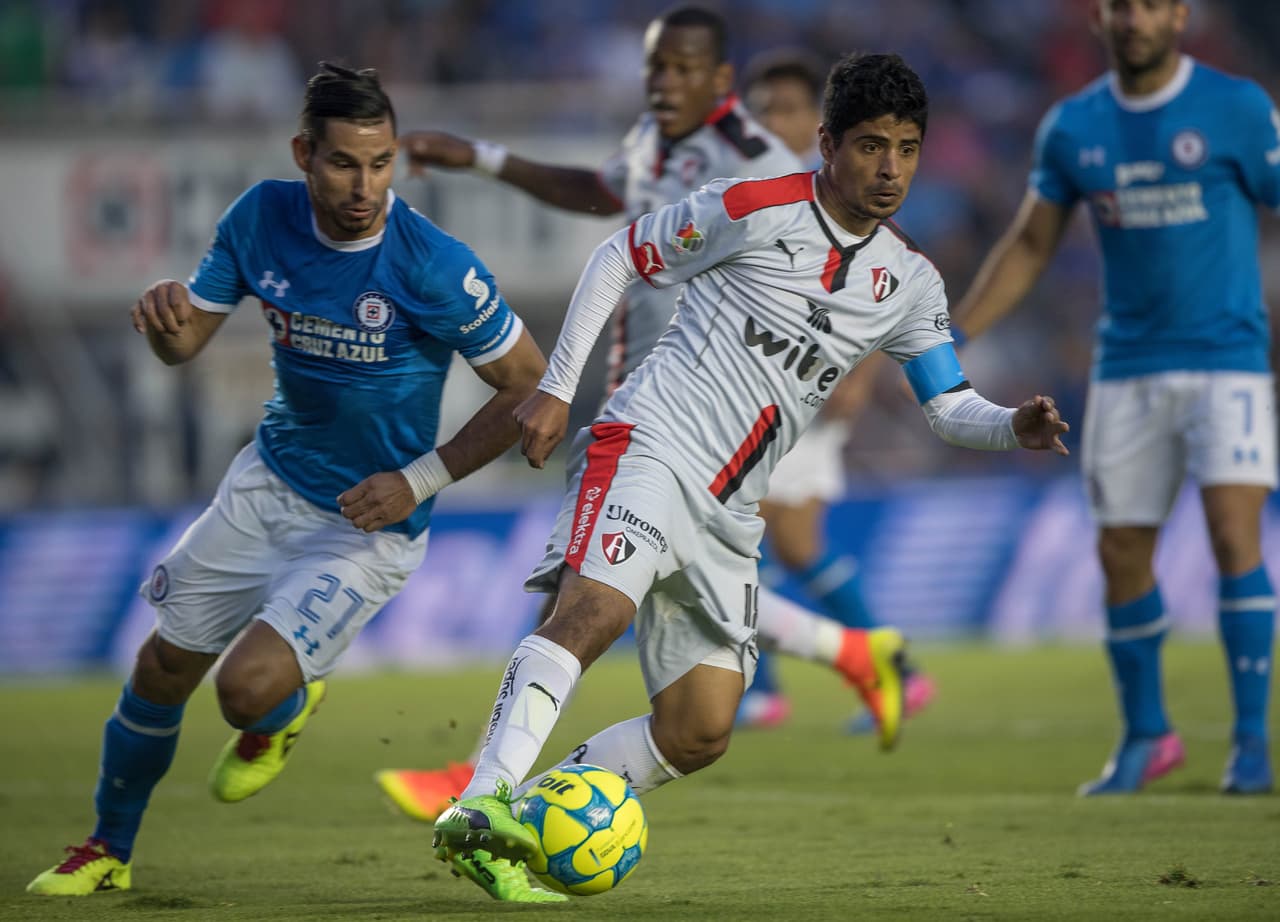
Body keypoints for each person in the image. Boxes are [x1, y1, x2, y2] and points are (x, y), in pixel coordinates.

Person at [430, 51, 1069, 898]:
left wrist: (1011, 427)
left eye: (908, 149)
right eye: (872, 146)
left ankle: (532, 819)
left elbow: (949, 406)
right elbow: (620, 253)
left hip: (732, 513)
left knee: (699, 731)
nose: (890, 169)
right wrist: (556, 389)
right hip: (652, 443)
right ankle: (478, 804)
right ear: (828, 144)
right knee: (594, 612)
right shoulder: (757, 208)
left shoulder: (909, 281)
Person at [26, 63, 559, 902]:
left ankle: (280, 714)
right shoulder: (259, 218)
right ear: (304, 153)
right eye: (345, 163)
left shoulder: (429, 264)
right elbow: (187, 344)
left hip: (370, 521)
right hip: (266, 484)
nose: (365, 186)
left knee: (245, 693)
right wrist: (165, 325)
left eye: (381, 164)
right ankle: (106, 847)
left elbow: (529, 380)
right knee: (161, 669)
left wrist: (417, 481)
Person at [376, 6, 912, 824]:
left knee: (595, 597)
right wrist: (482, 159)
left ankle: (483, 783)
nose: (659, 84)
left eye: (677, 69)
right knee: (603, 592)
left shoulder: (761, 164)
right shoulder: (654, 146)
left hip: (718, 412)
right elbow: (601, 194)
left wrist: (859, 374)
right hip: (649, 400)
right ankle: (846, 650)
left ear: (718, 79)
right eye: (652, 68)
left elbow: (854, 272)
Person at [951, 0, 1278, 795]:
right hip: (1126, 365)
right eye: (1122, 5)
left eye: (1151, 5)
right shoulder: (1073, 127)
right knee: (1119, 553)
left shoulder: (1236, 108)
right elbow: (1032, 243)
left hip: (1227, 359)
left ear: (1181, 16)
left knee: (1236, 538)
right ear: (1100, 18)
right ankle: (1146, 736)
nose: (1135, 19)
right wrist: (950, 336)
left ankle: (1250, 745)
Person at [738, 49, 936, 731]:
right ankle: (861, 674)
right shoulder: (759, 193)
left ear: (818, 128)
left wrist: (863, 374)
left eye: (787, 109)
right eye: (761, 110)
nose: (772, 121)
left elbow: (889, 275)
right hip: (763, 395)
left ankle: (872, 671)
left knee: (765, 538)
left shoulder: (842, 192)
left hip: (810, 399)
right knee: (777, 546)